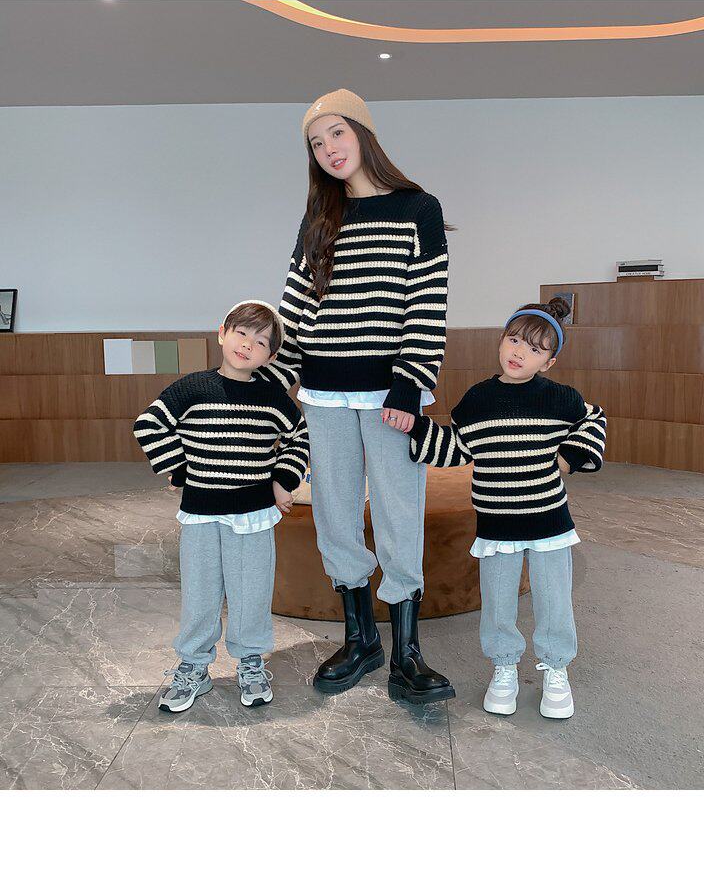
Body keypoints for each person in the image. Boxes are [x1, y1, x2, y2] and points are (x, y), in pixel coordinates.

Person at [265, 88, 454, 704]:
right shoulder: (319, 217)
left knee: (399, 515)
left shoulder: (418, 209)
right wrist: (276, 379)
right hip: (323, 392)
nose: (328, 150)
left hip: (389, 395)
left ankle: (407, 653)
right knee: (335, 514)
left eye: (337, 134)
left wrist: (409, 383)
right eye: (316, 143)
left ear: (363, 134)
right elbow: (296, 307)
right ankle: (361, 639)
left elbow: (427, 303)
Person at [407, 298, 607, 718]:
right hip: (496, 524)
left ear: (549, 362)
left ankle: (556, 668)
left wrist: (569, 457)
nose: (519, 353)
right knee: (498, 603)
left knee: (554, 600)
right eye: (514, 340)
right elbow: (457, 448)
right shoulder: (477, 399)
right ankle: (504, 667)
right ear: (501, 341)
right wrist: (416, 427)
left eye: (534, 349)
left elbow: (594, 418)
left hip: (550, 521)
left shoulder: (560, 398)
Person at [133, 300, 309, 713]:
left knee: (252, 592)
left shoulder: (272, 397)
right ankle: (194, 666)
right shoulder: (192, 388)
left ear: (271, 355)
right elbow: (148, 424)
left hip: (253, 515)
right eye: (241, 333)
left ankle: (250, 661)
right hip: (201, 513)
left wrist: (283, 481)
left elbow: (299, 436)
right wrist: (179, 469)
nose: (248, 345)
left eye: (261, 342)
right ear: (222, 334)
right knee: (200, 593)